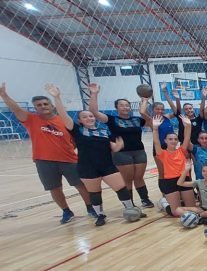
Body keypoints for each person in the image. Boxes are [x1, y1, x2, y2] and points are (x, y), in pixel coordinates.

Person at [0, 82, 95, 223]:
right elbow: (16, 109)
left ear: (51, 106)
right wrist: (4, 95)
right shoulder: (30, 119)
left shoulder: (63, 120)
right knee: (55, 188)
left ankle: (90, 208)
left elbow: (75, 138)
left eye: (45, 104)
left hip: (69, 159)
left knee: (80, 185)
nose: (43, 106)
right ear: (35, 108)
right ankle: (66, 211)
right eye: (39, 105)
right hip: (43, 161)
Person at [61, 101, 139, 226]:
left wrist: (117, 146)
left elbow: (111, 146)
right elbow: (64, 117)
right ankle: (100, 215)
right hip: (87, 168)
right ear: (80, 121)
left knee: (121, 189)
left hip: (107, 165)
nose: (89, 118)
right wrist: (57, 98)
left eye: (91, 116)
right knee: (95, 193)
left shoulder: (103, 131)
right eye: (85, 117)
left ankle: (131, 209)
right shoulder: (77, 131)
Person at [88, 83, 154, 208]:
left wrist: (145, 100)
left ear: (130, 107)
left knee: (139, 177)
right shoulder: (112, 119)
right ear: (117, 107)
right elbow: (94, 112)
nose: (125, 107)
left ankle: (145, 199)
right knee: (127, 179)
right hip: (122, 154)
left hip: (139, 151)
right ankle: (130, 205)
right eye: (122, 105)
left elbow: (150, 121)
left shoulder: (136, 120)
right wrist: (94, 94)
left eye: (127, 105)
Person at [152, 114, 195, 217]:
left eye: (175, 139)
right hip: (170, 181)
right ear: (165, 141)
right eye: (170, 139)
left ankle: (181, 206)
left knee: (192, 208)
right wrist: (155, 129)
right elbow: (156, 142)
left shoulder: (181, 150)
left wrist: (188, 126)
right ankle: (164, 204)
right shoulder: (162, 153)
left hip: (184, 179)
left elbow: (187, 137)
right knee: (176, 212)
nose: (173, 141)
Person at [175, 158, 207, 225]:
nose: (205, 173)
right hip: (203, 209)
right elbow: (179, 183)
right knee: (178, 210)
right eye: (203, 171)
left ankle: (196, 218)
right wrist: (186, 170)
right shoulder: (199, 182)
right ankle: (201, 218)